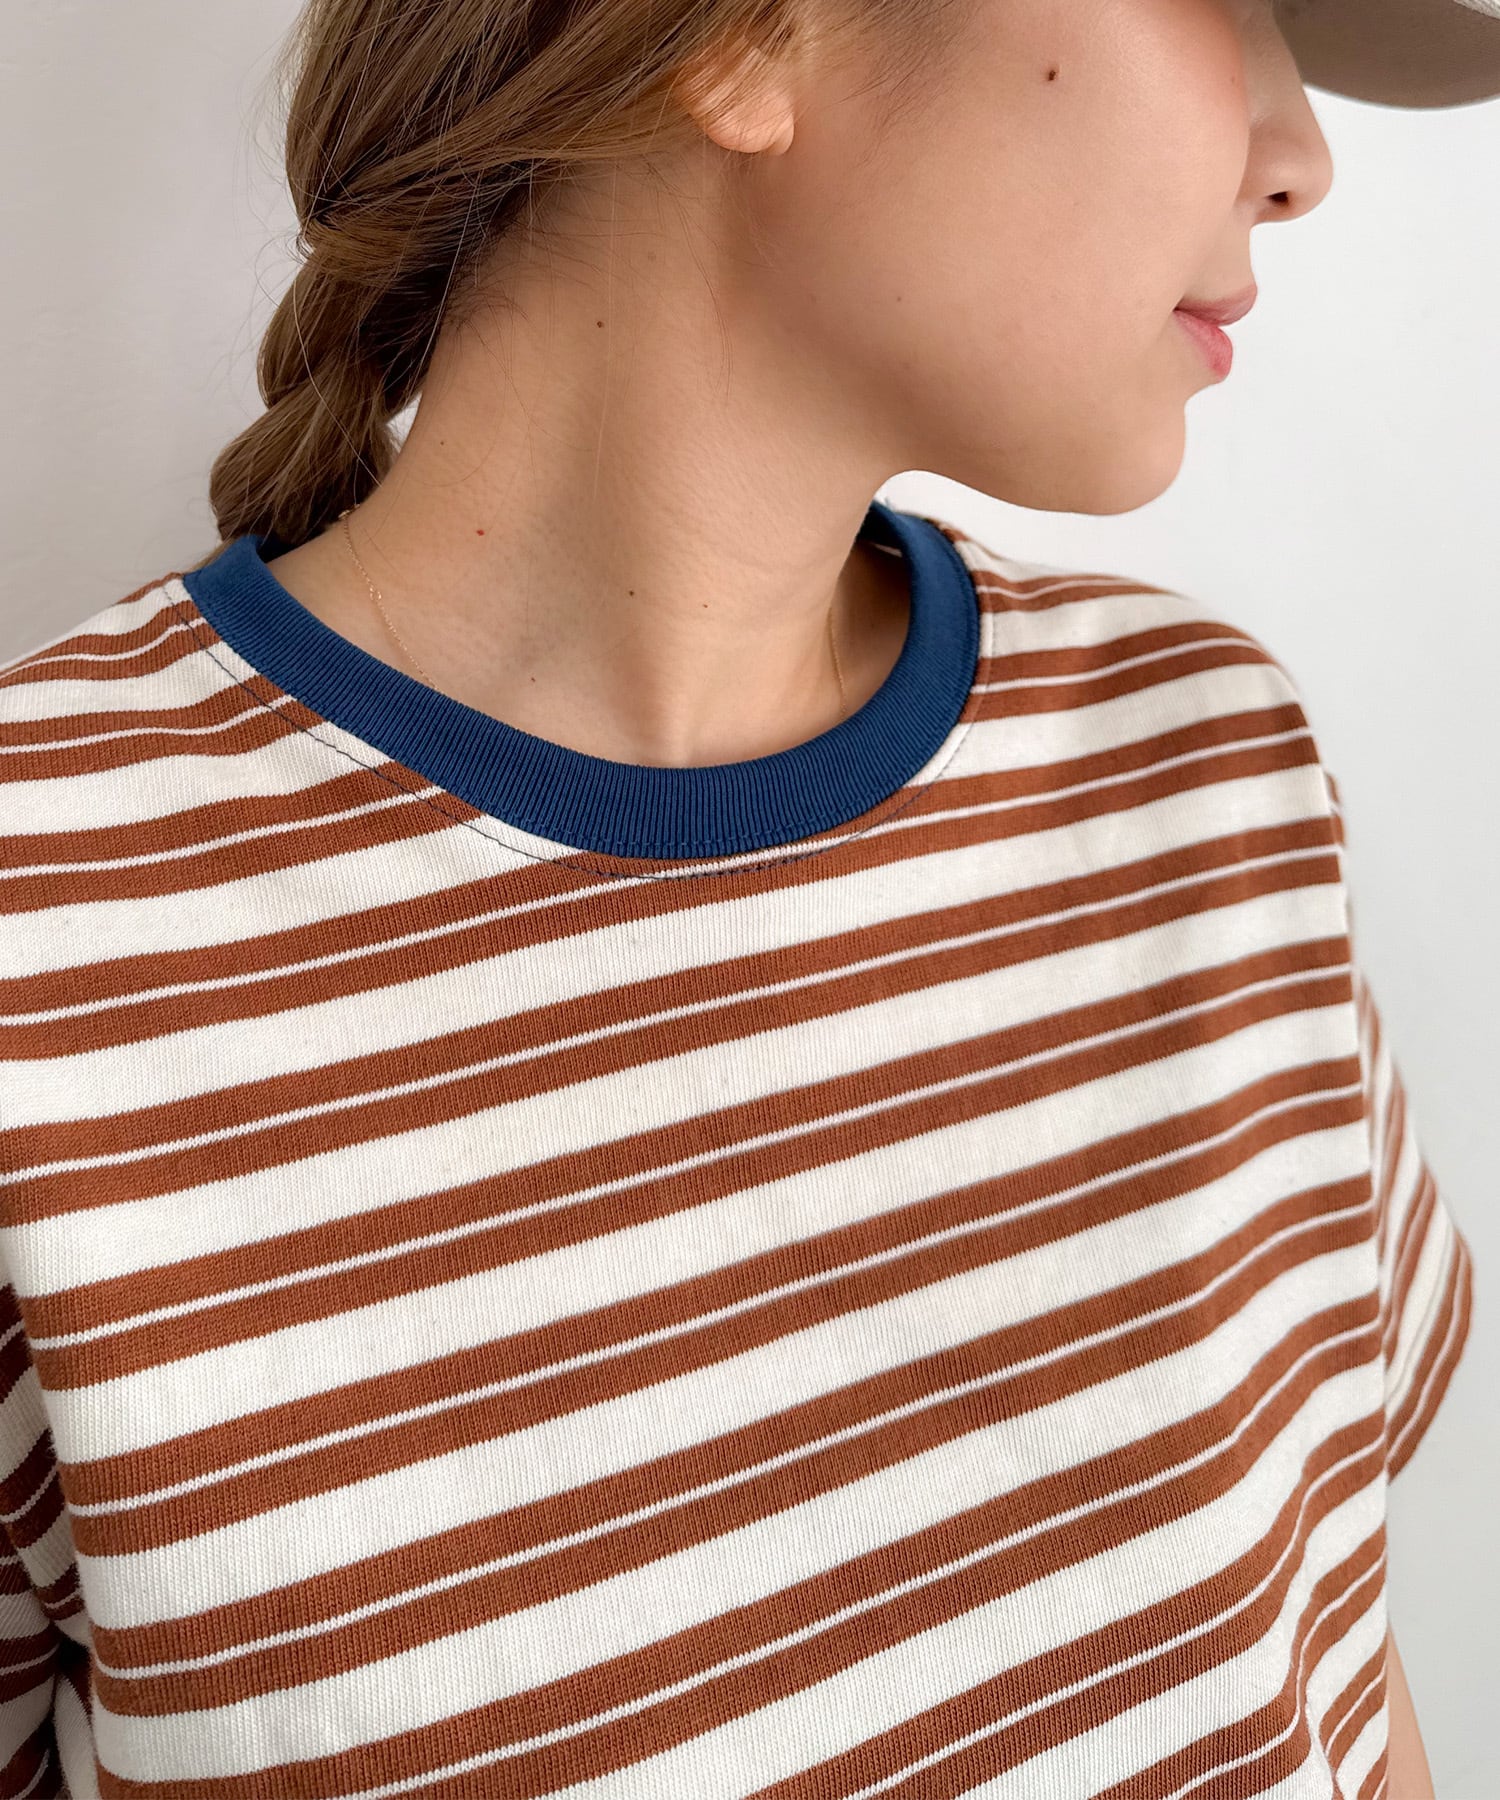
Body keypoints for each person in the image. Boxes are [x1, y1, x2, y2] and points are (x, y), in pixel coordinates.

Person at [0, 0, 1491, 1793]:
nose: (1302, 156)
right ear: (741, 41)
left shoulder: (1207, 774)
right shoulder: (42, 944)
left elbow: (1353, 1702)